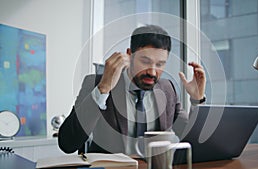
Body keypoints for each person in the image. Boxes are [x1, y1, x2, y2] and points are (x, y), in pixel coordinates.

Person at [58, 25, 206, 156]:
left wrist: (196, 101)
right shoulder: (97, 83)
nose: (153, 73)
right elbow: (67, 144)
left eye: (160, 64)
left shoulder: (168, 89)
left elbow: (195, 142)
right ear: (129, 55)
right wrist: (103, 89)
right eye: (145, 62)